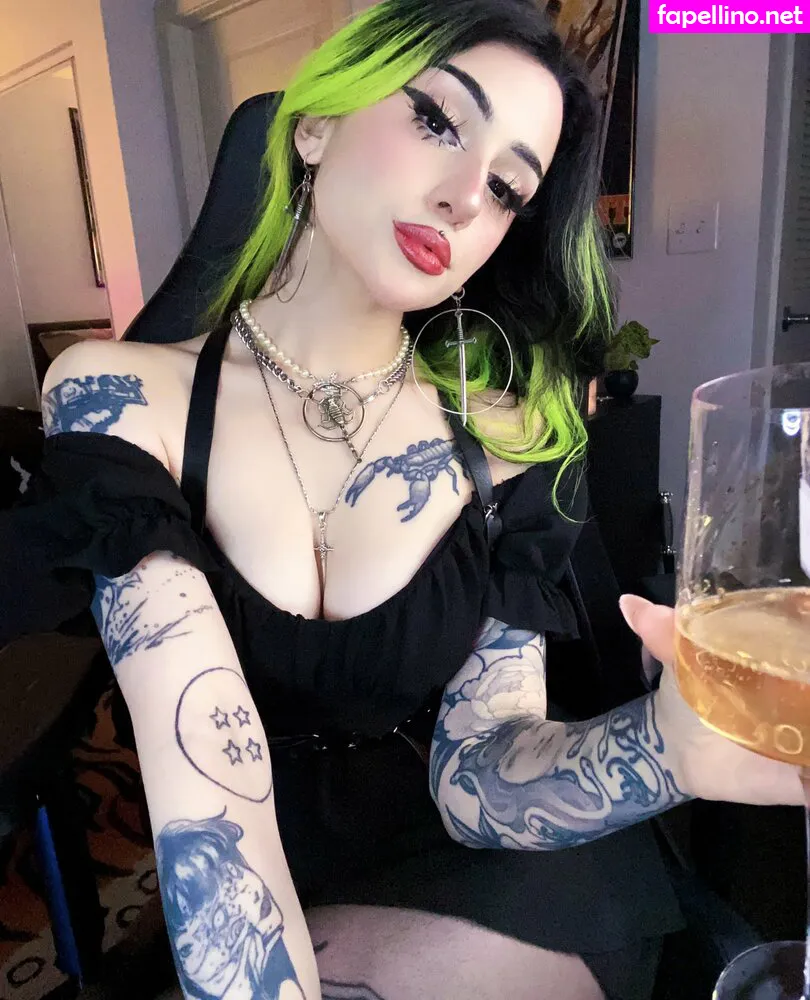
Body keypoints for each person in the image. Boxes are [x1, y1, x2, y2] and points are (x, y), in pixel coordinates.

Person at [0, 1, 802, 998]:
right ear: (315, 125)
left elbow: (478, 779)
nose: (466, 199)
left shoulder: (506, 432)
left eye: (508, 188)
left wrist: (668, 749)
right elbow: (204, 769)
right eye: (436, 120)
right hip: (254, 849)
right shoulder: (121, 394)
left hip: (502, 866)